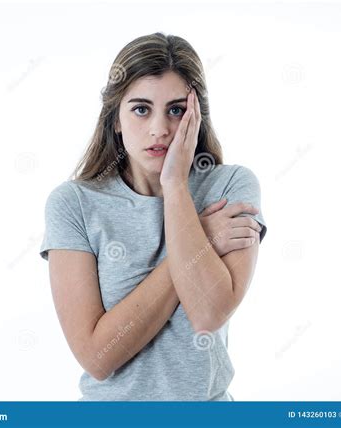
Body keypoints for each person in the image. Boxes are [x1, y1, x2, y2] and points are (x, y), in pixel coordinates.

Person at [39, 32, 267, 401]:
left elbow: (209, 314)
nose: (159, 129)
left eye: (176, 110)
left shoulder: (231, 186)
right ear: (115, 119)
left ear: (197, 118)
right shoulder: (74, 203)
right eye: (141, 109)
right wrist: (204, 238)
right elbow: (98, 357)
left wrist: (175, 185)